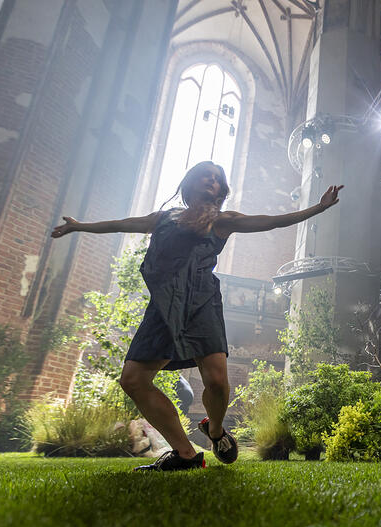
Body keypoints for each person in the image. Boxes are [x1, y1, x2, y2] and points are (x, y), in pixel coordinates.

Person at [52, 160, 343, 471]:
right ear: (191, 182)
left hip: (203, 300)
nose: (211, 180)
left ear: (220, 190)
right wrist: (78, 225)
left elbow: (270, 221)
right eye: (206, 174)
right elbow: (122, 223)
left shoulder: (222, 220)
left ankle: (215, 430)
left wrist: (317, 209)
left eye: (217, 179)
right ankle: (185, 454)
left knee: (216, 382)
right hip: (165, 305)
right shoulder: (164, 218)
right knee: (133, 380)